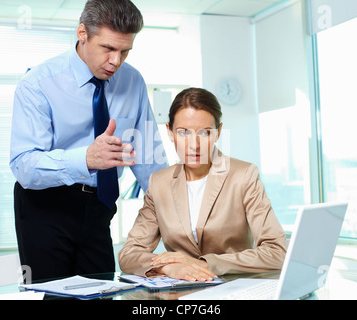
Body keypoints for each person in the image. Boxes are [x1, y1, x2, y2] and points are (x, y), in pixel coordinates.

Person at [10, 0, 167, 281]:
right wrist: (85, 159)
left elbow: (148, 157)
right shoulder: (38, 83)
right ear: (82, 33)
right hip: (45, 206)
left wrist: (173, 207)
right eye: (108, 48)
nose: (116, 61)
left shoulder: (133, 81)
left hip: (99, 206)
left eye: (125, 51)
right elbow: (24, 166)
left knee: (102, 290)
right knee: (54, 295)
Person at [118, 88, 287, 281]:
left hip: (234, 289)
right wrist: (168, 268)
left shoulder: (243, 175)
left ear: (219, 132)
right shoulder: (159, 183)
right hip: (181, 294)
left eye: (205, 133)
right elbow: (128, 254)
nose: (194, 145)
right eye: (183, 133)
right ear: (170, 132)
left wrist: (204, 264)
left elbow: (277, 252)